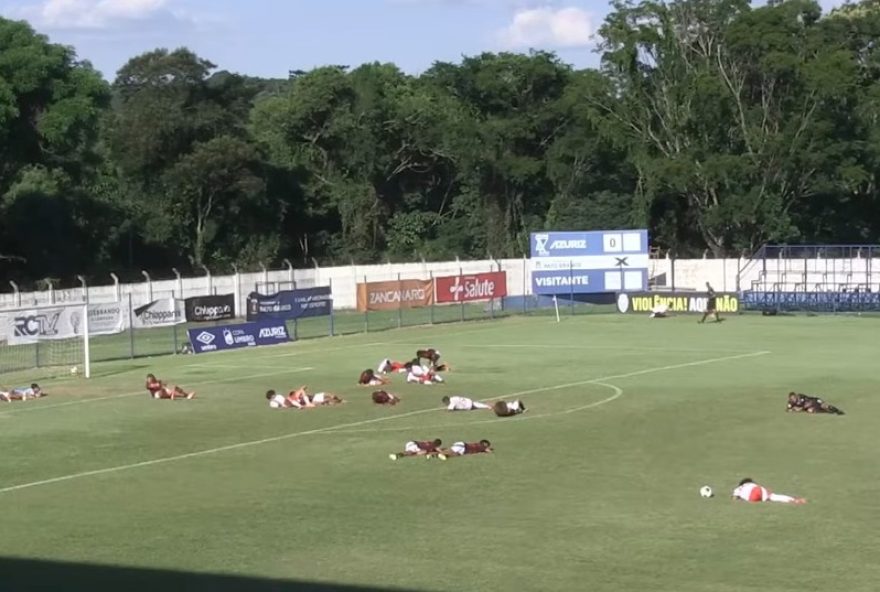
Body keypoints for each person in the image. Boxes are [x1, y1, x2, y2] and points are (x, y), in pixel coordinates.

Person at [731, 478, 806, 504]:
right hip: (758, 490)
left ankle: (793, 500)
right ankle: (794, 500)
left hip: (751, 498)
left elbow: (734, 498)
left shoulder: (738, 489)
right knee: (773, 496)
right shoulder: (752, 484)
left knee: (768, 499)